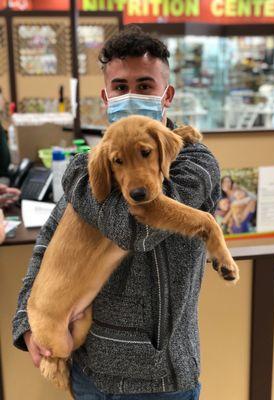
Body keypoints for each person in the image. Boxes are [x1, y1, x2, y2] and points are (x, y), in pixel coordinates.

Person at [12, 26, 221, 399]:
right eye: (121, 88)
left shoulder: (195, 164)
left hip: (159, 378)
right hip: (88, 371)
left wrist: (84, 171)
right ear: (106, 98)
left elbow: (136, 227)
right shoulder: (94, 164)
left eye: (144, 86)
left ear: (166, 94)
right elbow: (49, 243)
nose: (132, 96)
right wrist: (27, 321)